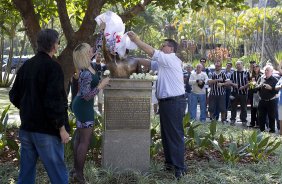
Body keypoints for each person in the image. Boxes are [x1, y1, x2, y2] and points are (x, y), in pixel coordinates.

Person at [9, 29, 70, 184]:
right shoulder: (53, 68)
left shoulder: (26, 66)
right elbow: (54, 102)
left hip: (27, 129)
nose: (58, 45)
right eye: (57, 42)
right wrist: (62, 128)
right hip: (47, 131)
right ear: (53, 45)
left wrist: (29, 109)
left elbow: (14, 95)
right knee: (58, 175)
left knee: (26, 175)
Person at [128, 31, 187, 179]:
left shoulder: (171, 59)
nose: (161, 47)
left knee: (174, 135)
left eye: (164, 45)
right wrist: (134, 59)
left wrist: (136, 40)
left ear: (171, 49)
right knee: (167, 135)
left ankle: (180, 168)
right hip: (168, 103)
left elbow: (151, 52)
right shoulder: (163, 62)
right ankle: (170, 164)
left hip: (174, 102)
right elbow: (149, 62)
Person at [71, 43, 110, 183]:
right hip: (83, 106)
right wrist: (101, 85)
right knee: (85, 141)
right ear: (84, 55)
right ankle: (79, 175)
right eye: (89, 50)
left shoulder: (88, 65)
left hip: (81, 105)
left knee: (79, 138)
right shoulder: (86, 72)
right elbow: (87, 96)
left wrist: (102, 28)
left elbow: (98, 46)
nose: (92, 51)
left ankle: (75, 170)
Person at [256, 65, 278, 133]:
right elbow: (256, 88)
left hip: (271, 101)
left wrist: (271, 88)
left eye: (267, 70)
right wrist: (258, 86)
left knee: (271, 117)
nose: (266, 71)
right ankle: (262, 130)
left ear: (271, 72)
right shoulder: (261, 78)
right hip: (262, 100)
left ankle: (272, 131)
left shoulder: (275, 80)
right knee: (261, 116)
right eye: (265, 70)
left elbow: (277, 91)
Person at [229, 60, 250, 126]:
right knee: (233, 107)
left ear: (242, 65)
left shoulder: (246, 73)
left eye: (239, 64)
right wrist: (234, 84)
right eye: (236, 64)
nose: (237, 66)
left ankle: (243, 120)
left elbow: (249, 82)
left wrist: (244, 87)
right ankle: (232, 119)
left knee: (244, 108)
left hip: (244, 93)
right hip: (235, 93)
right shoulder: (233, 73)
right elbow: (230, 82)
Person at [275, 69, 282, 135]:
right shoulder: (281, 78)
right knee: (280, 118)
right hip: (281, 102)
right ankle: (281, 133)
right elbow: (276, 87)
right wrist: (280, 86)